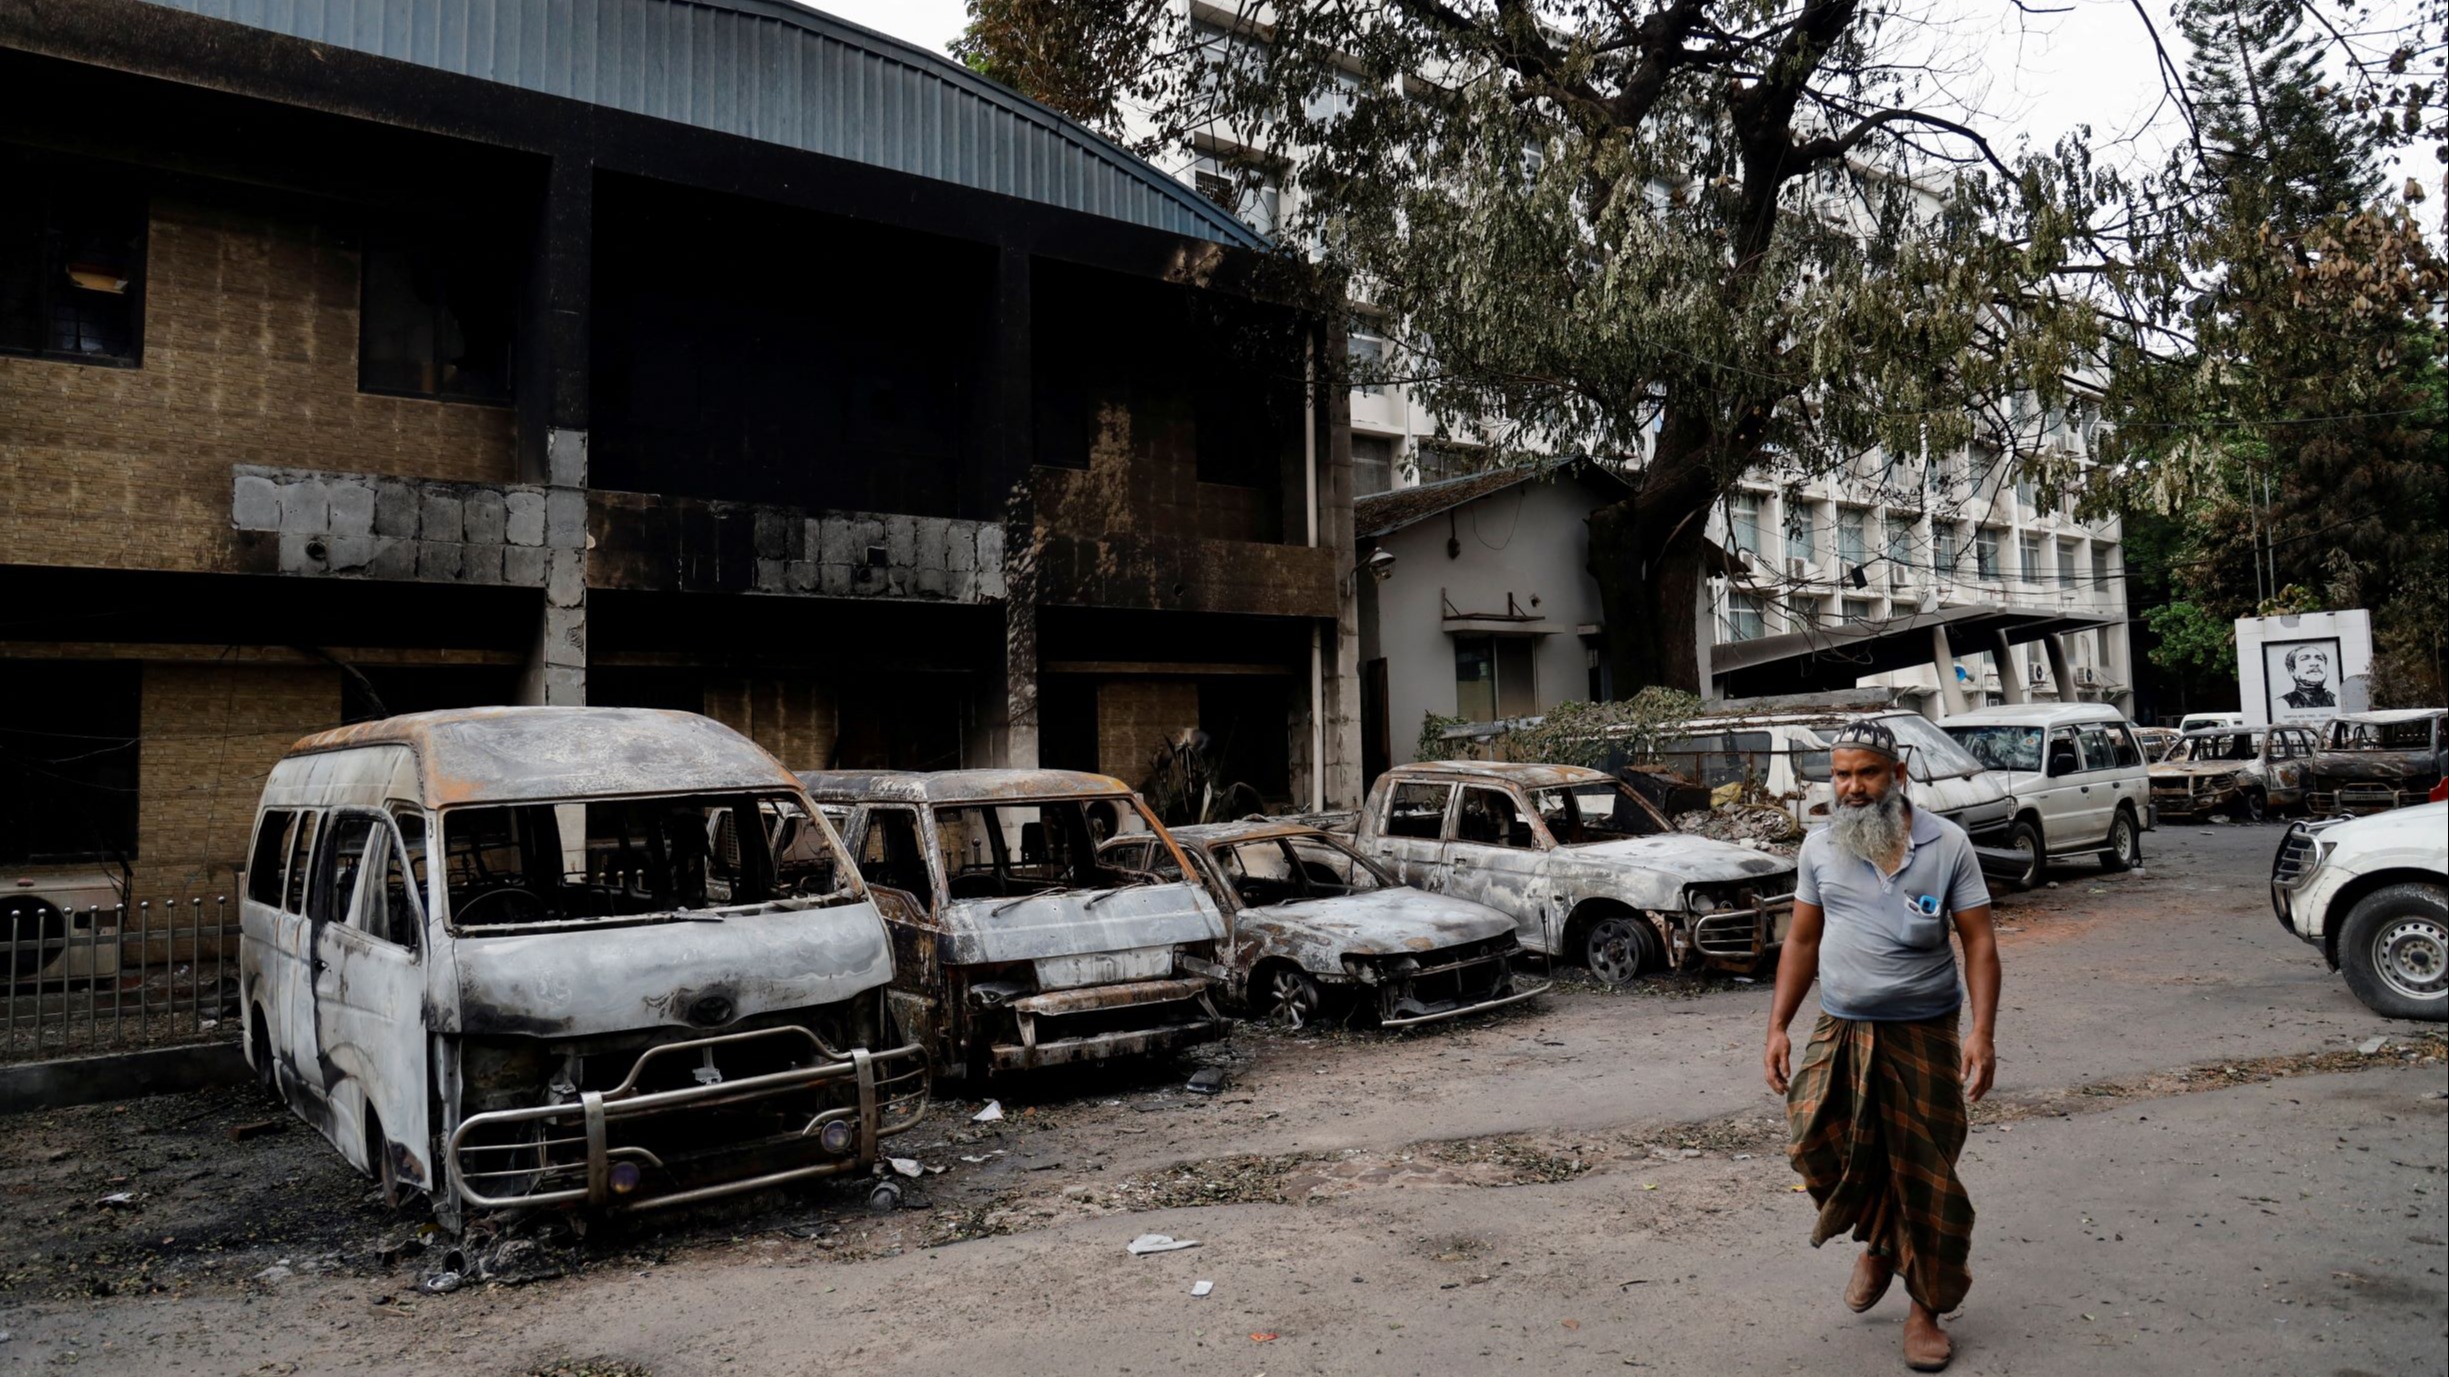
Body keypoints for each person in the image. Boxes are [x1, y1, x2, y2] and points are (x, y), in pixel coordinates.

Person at [1764, 720, 2001, 1372]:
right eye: (1840, 773)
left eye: (1865, 772)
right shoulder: (1819, 846)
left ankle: (1922, 1309)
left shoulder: (1946, 844)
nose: (1851, 786)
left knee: (1921, 1174)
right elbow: (1802, 942)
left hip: (1923, 1031)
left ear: (1897, 775)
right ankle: (1878, 1240)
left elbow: (1977, 941)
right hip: (1839, 1027)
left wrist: (1981, 1032)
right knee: (1812, 1140)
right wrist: (1777, 1023)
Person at [2279, 645, 2336, 710]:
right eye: (2304, 659)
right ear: (2292, 671)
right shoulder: (2283, 704)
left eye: (2319, 659)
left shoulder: (2337, 700)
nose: (2315, 663)